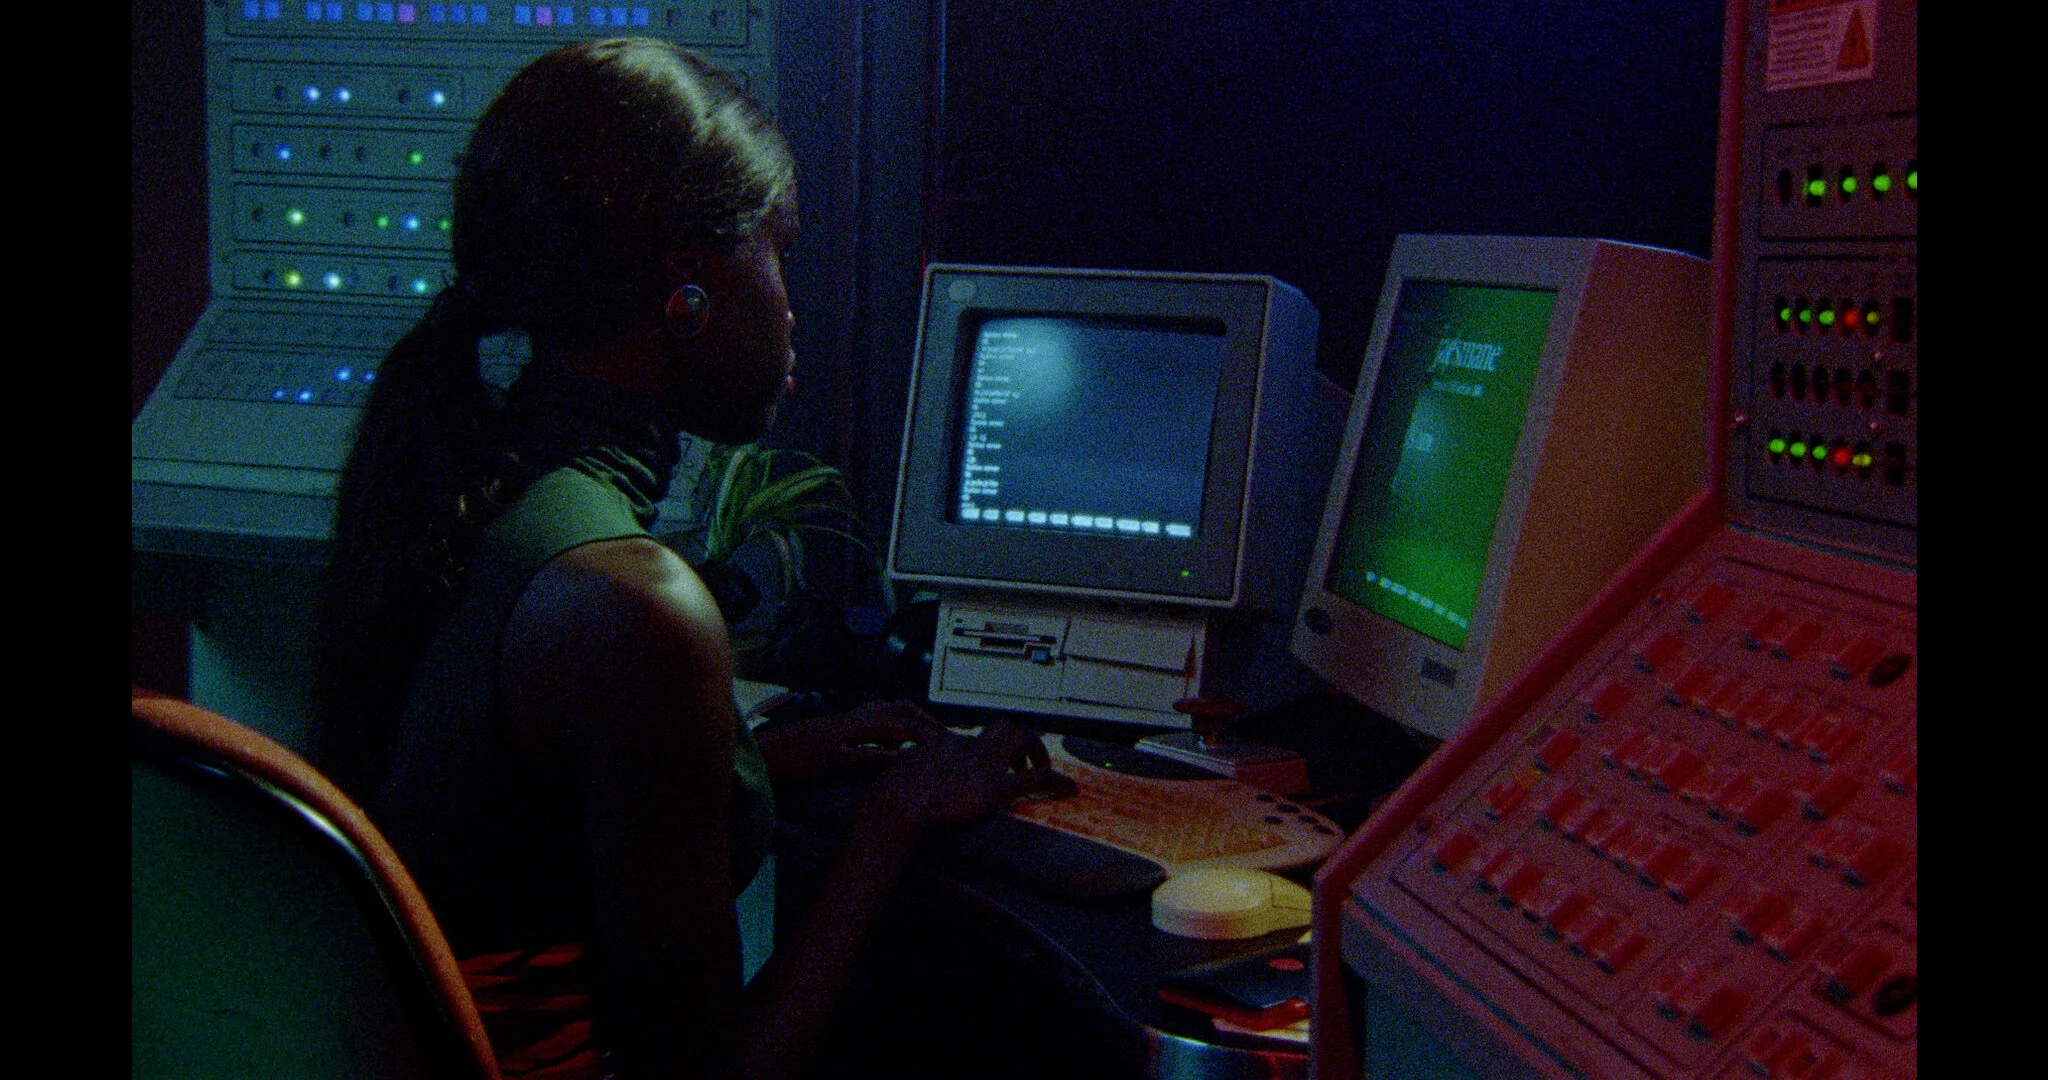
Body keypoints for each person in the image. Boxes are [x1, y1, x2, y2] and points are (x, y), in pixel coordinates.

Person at [312, 38, 1069, 1080]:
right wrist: (890, 824)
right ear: (688, 279)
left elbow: (509, 814)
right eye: (777, 251)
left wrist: (753, 758)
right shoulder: (629, 605)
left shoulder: (472, 484)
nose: (789, 305)